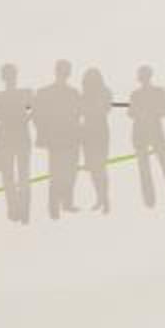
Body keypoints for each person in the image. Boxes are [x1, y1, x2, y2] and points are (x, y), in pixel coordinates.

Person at [128, 65, 165, 207]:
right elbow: (131, 113)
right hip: (141, 134)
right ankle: (150, 200)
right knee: (146, 167)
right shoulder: (136, 95)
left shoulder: (156, 92)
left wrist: (154, 111)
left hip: (154, 132)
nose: (143, 79)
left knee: (164, 163)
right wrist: (142, 112)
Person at [0, 63, 34, 222]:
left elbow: (37, 108)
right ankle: (16, 211)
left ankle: (22, 212)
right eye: (8, 74)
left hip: (18, 138)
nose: (10, 77)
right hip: (8, 139)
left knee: (20, 177)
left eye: (11, 74)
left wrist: (27, 118)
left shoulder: (24, 93)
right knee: (11, 177)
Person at [38, 61, 82, 215]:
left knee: (67, 172)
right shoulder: (48, 92)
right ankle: (55, 206)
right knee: (58, 173)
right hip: (58, 139)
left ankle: (62, 204)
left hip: (69, 138)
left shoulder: (72, 93)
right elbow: (39, 116)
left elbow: (77, 114)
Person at [78, 67, 115, 213]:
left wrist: (93, 108)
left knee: (100, 167)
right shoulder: (84, 95)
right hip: (87, 132)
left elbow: (105, 109)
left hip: (99, 131)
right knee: (93, 168)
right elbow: (79, 111)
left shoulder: (104, 93)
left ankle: (104, 199)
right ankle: (100, 198)